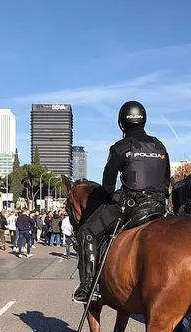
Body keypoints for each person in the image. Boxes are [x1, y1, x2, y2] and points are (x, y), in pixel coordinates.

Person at [73, 100, 170, 303]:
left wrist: (112, 197)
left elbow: (107, 185)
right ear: (144, 120)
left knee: (87, 233)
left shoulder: (120, 146)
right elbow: (166, 180)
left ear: (121, 124)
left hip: (132, 207)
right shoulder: (160, 146)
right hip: (159, 207)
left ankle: (89, 286)